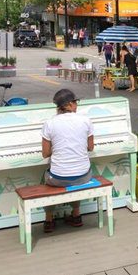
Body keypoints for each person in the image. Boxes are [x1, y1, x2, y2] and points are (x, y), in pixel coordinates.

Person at [40, 89, 94, 233]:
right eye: (76, 102)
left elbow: (45, 154)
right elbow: (90, 147)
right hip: (84, 176)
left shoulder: (50, 123)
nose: (77, 105)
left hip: (58, 179)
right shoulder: (86, 120)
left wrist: (59, 148)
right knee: (76, 173)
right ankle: (76, 216)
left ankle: (49, 220)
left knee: (45, 177)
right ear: (69, 104)